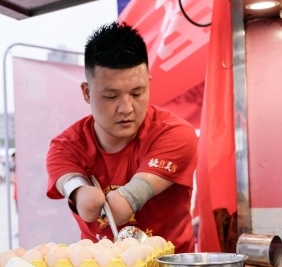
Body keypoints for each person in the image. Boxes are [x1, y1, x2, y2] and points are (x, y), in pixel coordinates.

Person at [46, 22, 198, 252]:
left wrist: (122, 198)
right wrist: (78, 192)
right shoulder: (66, 147)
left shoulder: (175, 133)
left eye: (137, 93)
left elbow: (125, 203)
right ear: (87, 92)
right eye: (111, 96)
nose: (126, 108)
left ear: (149, 83)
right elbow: (73, 186)